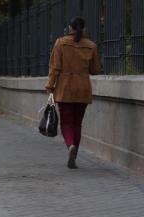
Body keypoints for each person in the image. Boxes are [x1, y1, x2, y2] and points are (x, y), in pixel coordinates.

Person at [46, 16, 100, 169]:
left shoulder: (60, 43)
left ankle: (70, 145)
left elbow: (55, 68)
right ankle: (74, 154)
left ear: (69, 28)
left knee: (67, 122)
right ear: (83, 29)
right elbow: (95, 70)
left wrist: (50, 86)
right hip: (83, 89)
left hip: (65, 89)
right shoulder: (91, 46)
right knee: (77, 123)